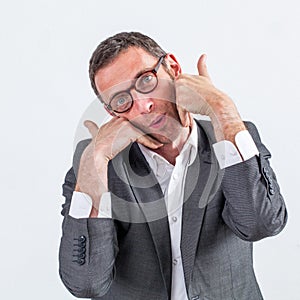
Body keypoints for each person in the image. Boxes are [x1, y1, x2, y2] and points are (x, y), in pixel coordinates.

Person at [59, 32, 287, 300]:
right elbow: (87, 283)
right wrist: (94, 159)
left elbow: (262, 223)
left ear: (173, 68)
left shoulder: (232, 138)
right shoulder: (94, 171)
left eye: (146, 80)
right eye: (121, 100)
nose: (144, 105)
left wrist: (221, 109)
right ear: (113, 113)